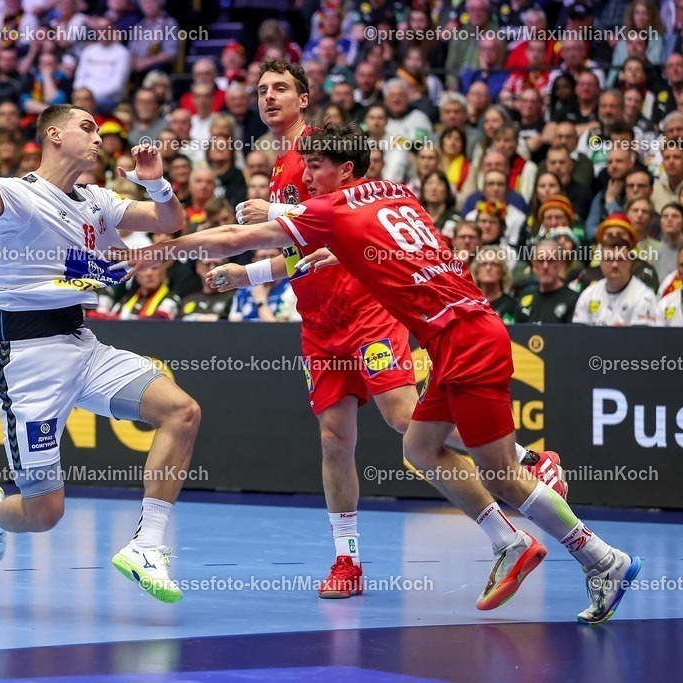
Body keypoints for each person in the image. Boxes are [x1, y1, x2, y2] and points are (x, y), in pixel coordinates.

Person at [118, 123, 639, 624]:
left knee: (501, 474)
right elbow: (332, 249)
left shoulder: (334, 208)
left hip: (464, 339)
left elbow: (235, 235)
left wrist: (151, 251)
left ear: (344, 170)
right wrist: (269, 247)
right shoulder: (397, 192)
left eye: (316, 167)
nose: (307, 176)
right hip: (460, 334)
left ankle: (600, 558)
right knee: (419, 446)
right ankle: (512, 539)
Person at [229, 60, 565, 601]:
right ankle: (347, 560)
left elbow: (342, 233)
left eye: (281, 88)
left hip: (366, 311)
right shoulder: (278, 162)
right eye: (262, 89)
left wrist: (246, 260)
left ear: (304, 98)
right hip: (319, 322)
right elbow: (304, 249)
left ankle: (526, 463)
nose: (269, 96)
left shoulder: (319, 153)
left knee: (405, 419)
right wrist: (251, 273)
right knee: (334, 439)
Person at [0, 103, 201, 604]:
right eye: (87, 128)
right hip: (27, 361)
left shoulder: (96, 200)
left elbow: (169, 220)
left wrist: (157, 183)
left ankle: (147, 545)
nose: (98, 138)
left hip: (82, 346)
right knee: (45, 513)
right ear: (54, 134)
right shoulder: (17, 195)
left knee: (182, 411)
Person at [572, 235, 657, 326]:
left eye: (620, 259)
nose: (615, 265)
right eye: (609, 259)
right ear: (601, 263)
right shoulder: (588, 294)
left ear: (630, 262)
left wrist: (624, 333)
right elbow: (578, 332)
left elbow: (643, 334)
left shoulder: (645, 297)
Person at [514, 240, 580, 324]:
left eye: (551, 260)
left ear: (561, 264)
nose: (545, 266)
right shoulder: (525, 298)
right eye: (540, 260)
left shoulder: (573, 300)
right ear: (533, 265)